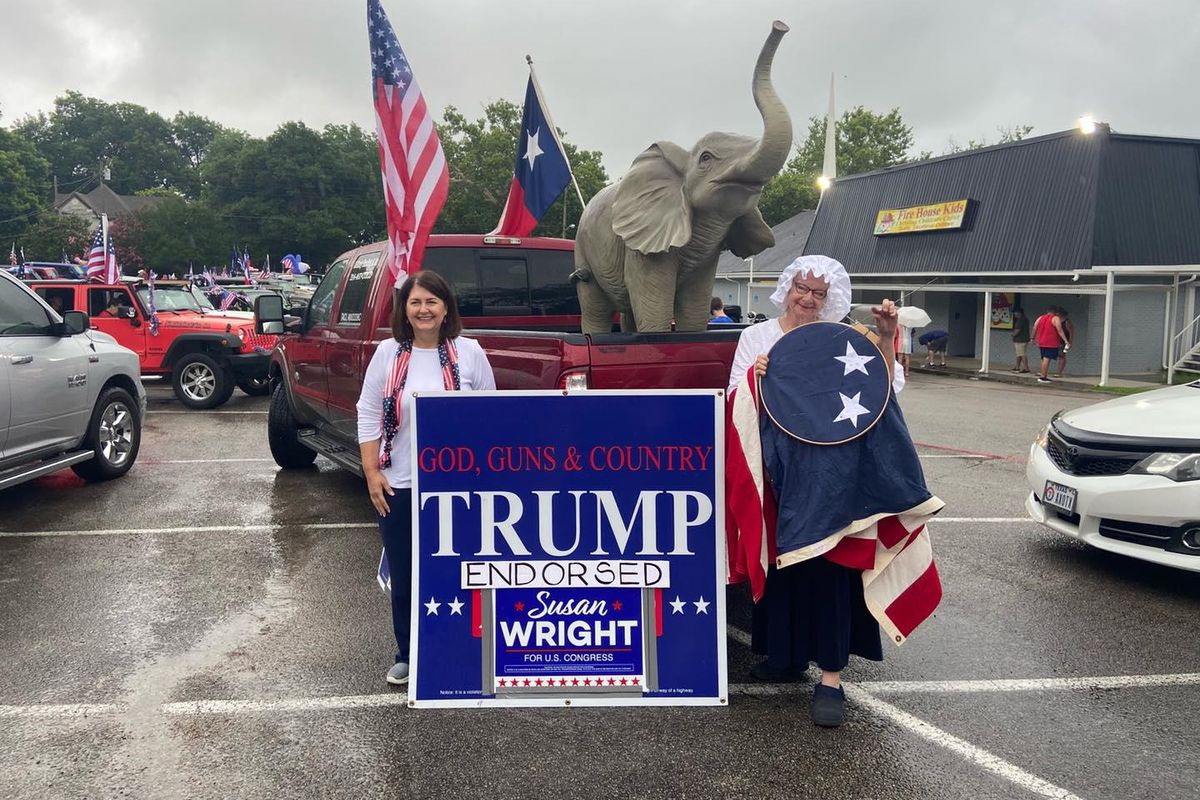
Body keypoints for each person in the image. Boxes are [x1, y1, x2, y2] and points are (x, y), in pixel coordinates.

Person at [726, 255, 905, 728]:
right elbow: (733, 396)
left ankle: (831, 677)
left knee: (829, 568)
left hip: (830, 478)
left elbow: (885, 389)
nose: (807, 298)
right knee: (784, 566)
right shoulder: (756, 337)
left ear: (832, 300)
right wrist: (755, 378)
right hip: (776, 473)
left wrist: (885, 337)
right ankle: (784, 655)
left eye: (818, 293)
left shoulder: (845, 339)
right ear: (786, 287)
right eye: (801, 288)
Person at [356, 271, 496, 686]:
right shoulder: (387, 353)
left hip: (459, 487)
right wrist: (371, 472)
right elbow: (367, 411)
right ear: (405, 309)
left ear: (446, 307)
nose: (423, 310)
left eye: (432, 302)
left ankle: (462, 649)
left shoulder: (469, 353)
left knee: (461, 570)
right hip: (400, 483)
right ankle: (409, 653)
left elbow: (490, 415)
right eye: (415, 302)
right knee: (407, 571)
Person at [1033, 305, 1067, 384]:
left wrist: (1032, 338)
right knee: (1047, 359)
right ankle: (1043, 377)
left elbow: (1035, 327)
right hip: (1051, 342)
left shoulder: (1040, 318)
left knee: (1043, 359)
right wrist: (1065, 340)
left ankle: (1043, 374)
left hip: (1041, 341)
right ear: (1056, 312)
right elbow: (1059, 330)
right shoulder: (1055, 318)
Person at [1010, 308, 1031, 373]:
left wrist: (1013, 334)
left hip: (1020, 340)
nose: (1014, 314)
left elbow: (1017, 330)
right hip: (1023, 339)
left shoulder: (1021, 320)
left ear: (1019, 313)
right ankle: (1017, 367)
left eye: (1015, 312)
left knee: (1022, 354)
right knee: (1019, 354)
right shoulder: (1025, 319)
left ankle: (1026, 368)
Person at [1055, 309, 1075, 378]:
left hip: (1064, 342)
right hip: (1057, 341)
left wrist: (1069, 342)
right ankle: (1059, 372)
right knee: (1058, 355)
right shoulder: (1057, 321)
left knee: (1062, 355)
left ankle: (1060, 372)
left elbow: (1071, 332)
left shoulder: (1066, 322)